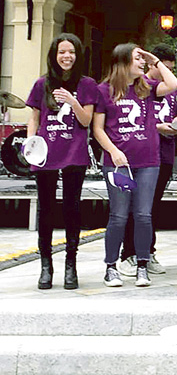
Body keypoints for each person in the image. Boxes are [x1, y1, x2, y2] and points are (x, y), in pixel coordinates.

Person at [92, 43, 177, 288]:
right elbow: (97, 129)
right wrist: (113, 151)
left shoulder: (147, 87)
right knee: (119, 215)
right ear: (122, 62)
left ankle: (142, 265)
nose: (142, 62)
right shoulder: (104, 90)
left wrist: (155, 61)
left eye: (143, 59)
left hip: (148, 161)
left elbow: (173, 85)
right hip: (118, 163)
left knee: (143, 215)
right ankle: (111, 267)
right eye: (137, 58)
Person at [26, 33, 98, 290]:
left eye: (72, 52)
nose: (67, 56)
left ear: (78, 56)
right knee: (46, 209)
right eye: (62, 52)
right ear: (54, 55)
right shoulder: (42, 83)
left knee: (71, 207)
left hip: (73, 152)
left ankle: (71, 264)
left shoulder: (87, 84)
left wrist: (72, 100)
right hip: (46, 152)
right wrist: (30, 143)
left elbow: (86, 121)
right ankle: (45, 265)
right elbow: (35, 117)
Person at [118, 44, 177, 278]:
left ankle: (147, 251)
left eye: (170, 67)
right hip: (140, 153)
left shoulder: (171, 88)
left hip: (164, 154)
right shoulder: (141, 86)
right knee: (134, 206)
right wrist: (158, 127)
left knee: (151, 207)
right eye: (163, 66)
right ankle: (128, 253)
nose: (167, 71)